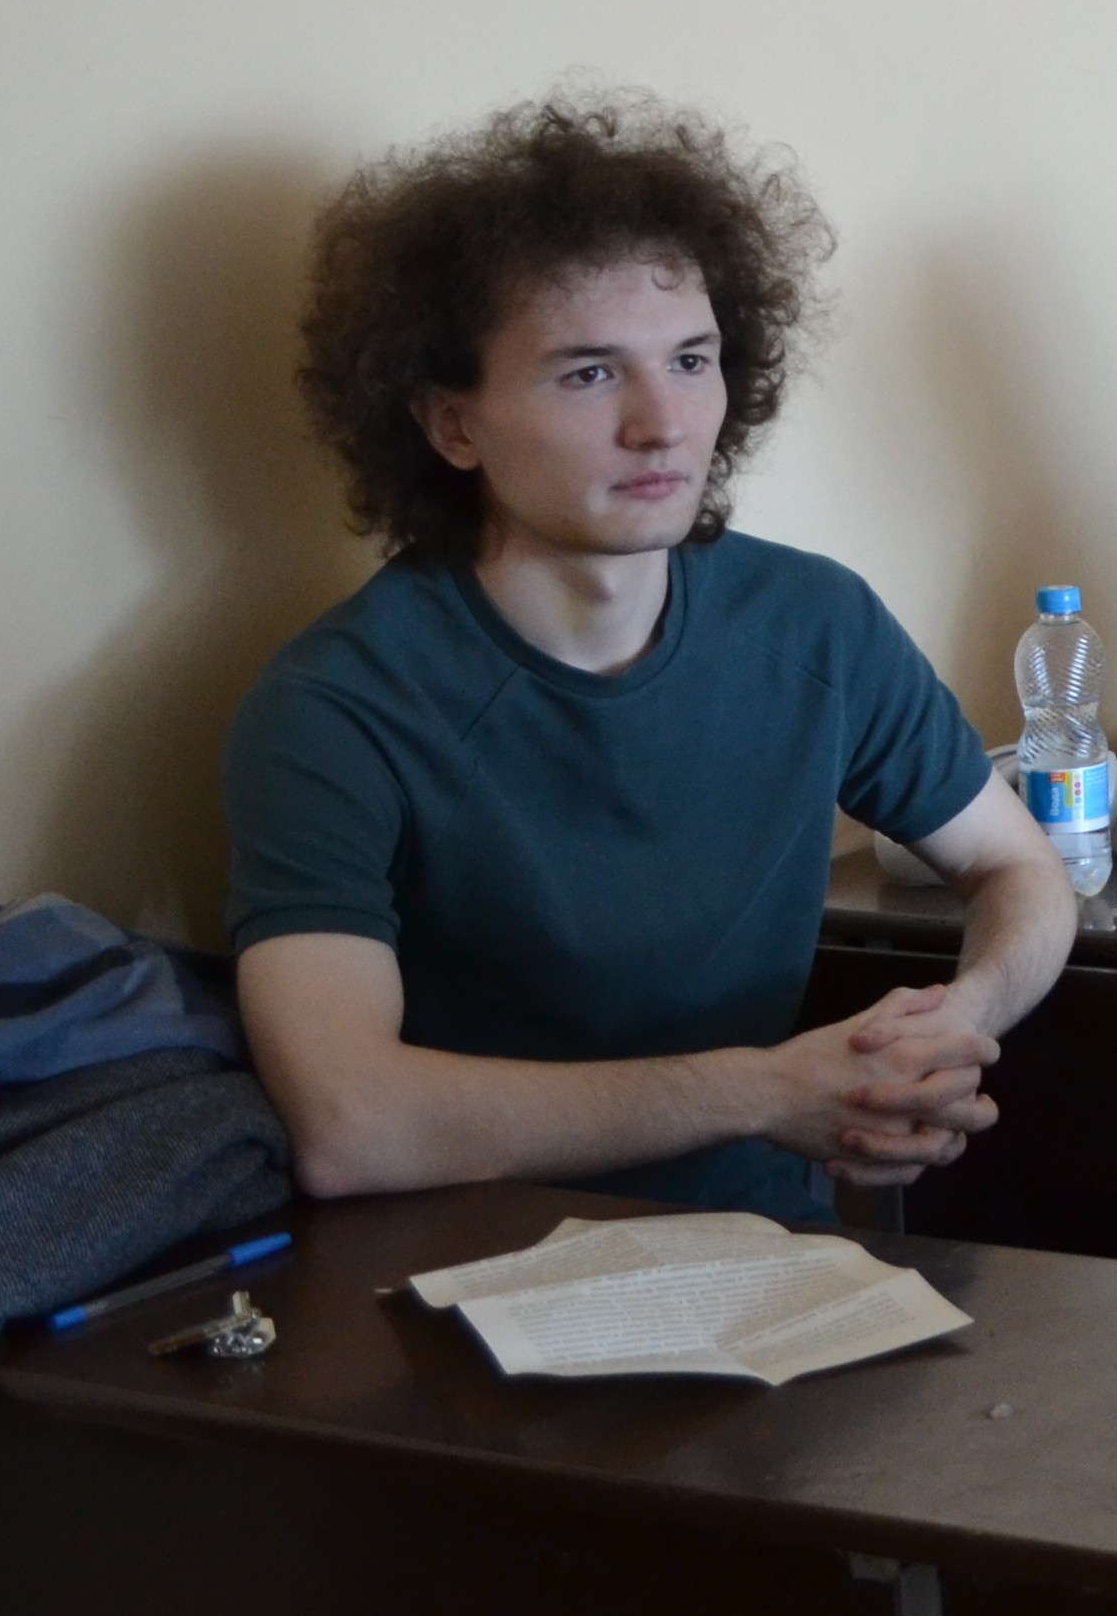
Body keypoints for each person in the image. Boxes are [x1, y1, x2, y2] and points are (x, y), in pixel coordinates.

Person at [226, 93, 1074, 1219]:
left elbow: (1022, 871)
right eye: (589, 373)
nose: (663, 423)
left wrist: (953, 1025)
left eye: (689, 359)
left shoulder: (816, 622)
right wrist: (762, 1093)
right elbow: (349, 1126)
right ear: (451, 425)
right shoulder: (334, 707)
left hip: (767, 1253)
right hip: (466, 1271)